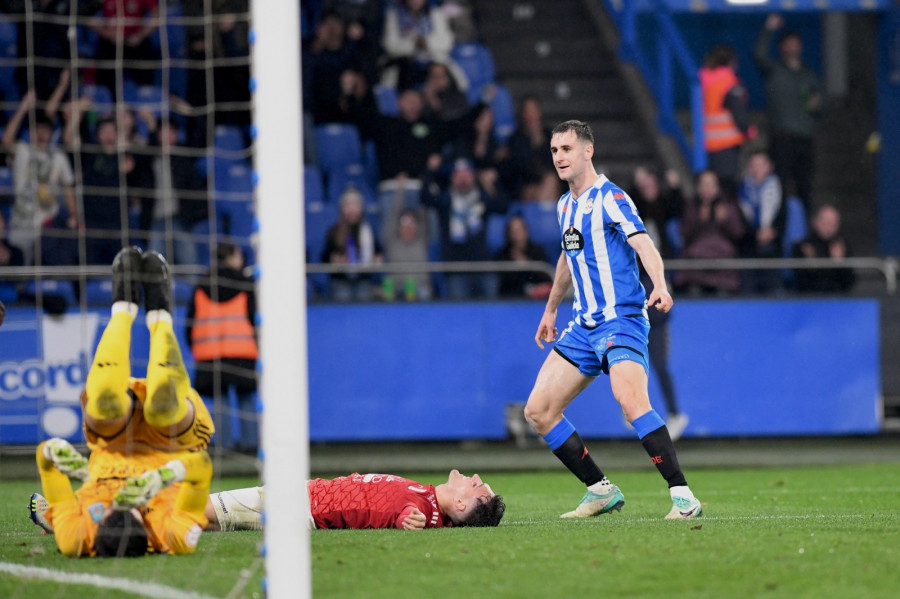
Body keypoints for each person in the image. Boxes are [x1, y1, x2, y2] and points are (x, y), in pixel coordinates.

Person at [523, 120, 702, 519]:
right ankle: (600, 490)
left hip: (621, 320)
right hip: (583, 326)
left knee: (631, 401)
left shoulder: (612, 197)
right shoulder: (565, 205)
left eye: (567, 149)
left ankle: (683, 496)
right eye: (554, 151)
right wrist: (551, 309)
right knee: (538, 411)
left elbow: (642, 242)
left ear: (588, 151)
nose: (559, 158)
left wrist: (660, 283)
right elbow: (568, 258)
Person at [30, 246, 215, 557]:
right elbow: (202, 468)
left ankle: (123, 308)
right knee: (164, 408)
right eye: (131, 509)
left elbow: (46, 465)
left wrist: (54, 452)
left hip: (112, 439)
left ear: (98, 529)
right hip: (171, 446)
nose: (121, 498)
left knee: (104, 403)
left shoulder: (75, 539)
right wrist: (163, 476)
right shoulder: (175, 537)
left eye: (113, 506)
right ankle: (160, 317)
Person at [205, 470, 505, 531]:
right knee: (207, 522)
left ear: (463, 504)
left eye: (478, 486)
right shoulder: (428, 497)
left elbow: (406, 515)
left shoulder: (424, 510)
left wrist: (406, 520)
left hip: (300, 504)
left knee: (199, 506)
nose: (475, 476)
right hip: (305, 497)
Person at [186, 243, 259, 451]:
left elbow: (190, 323)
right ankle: (251, 446)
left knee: (220, 401)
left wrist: (198, 348)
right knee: (246, 398)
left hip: (210, 354)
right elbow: (255, 318)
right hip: (242, 350)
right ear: (231, 258)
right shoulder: (246, 283)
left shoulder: (201, 285)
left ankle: (224, 448)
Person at [1, 87, 78, 266]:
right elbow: (6, 140)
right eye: (38, 130)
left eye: (46, 130)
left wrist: (74, 215)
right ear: (31, 132)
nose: (42, 134)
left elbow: (68, 188)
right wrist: (23, 108)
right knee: (19, 267)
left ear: (51, 134)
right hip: (21, 224)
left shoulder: (58, 156)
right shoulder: (22, 150)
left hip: (46, 226)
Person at [754, 14, 821, 209]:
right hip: (781, 138)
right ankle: (780, 234)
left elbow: (818, 108)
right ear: (781, 48)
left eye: (796, 44)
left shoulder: (809, 75)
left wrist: (817, 104)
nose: (792, 48)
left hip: (805, 139)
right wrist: (768, 29)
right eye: (788, 44)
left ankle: (805, 234)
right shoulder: (774, 70)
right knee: (779, 188)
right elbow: (758, 55)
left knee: (805, 187)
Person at [420, 156, 508, 299]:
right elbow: (425, 198)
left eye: (466, 175)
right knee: (459, 315)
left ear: (473, 177)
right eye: (458, 176)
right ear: (452, 179)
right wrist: (431, 171)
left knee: (492, 312)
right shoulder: (446, 201)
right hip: (456, 270)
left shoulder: (482, 199)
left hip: (483, 267)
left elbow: (503, 206)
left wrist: (493, 184)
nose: (463, 180)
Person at [674, 170, 746, 296]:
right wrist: (698, 220)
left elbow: (738, 233)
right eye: (703, 185)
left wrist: (725, 220)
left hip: (723, 265)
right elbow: (684, 234)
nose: (707, 189)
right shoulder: (692, 205)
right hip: (696, 264)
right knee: (693, 291)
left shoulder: (728, 204)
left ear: (717, 187)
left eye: (710, 185)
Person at [699, 44, 754, 195]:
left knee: (714, 188)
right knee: (728, 189)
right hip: (727, 145)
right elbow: (739, 114)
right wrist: (749, 131)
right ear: (731, 61)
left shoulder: (703, 82)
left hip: (709, 143)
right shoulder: (729, 83)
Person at [321, 186, 384, 302]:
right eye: (348, 206)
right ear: (342, 209)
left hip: (363, 279)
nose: (352, 210)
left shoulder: (367, 231)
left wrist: (377, 258)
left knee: (364, 295)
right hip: (341, 279)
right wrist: (333, 260)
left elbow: (378, 251)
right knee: (342, 295)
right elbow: (324, 257)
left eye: (355, 206)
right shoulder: (334, 231)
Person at [738, 150, 785, 293]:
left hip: (773, 244)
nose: (757, 169)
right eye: (754, 165)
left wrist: (772, 232)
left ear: (769, 167)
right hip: (748, 244)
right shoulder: (741, 190)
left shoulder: (779, 188)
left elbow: (783, 218)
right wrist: (755, 234)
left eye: (761, 164)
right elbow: (740, 222)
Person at [792, 204, 855, 293]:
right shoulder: (803, 246)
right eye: (825, 222)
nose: (829, 227)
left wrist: (839, 263)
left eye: (833, 223)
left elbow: (849, 283)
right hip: (809, 300)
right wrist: (811, 264)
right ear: (815, 222)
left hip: (838, 300)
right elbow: (799, 282)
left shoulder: (842, 246)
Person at [495, 214, 552, 299]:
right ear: (508, 233)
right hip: (511, 299)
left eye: (519, 230)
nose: (516, 234)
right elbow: (503, 284)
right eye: (513, 231)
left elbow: (547, 277)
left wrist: (526, 263)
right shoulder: (503, 254)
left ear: (526, 231)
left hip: (538, 300)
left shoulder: (537, 251)